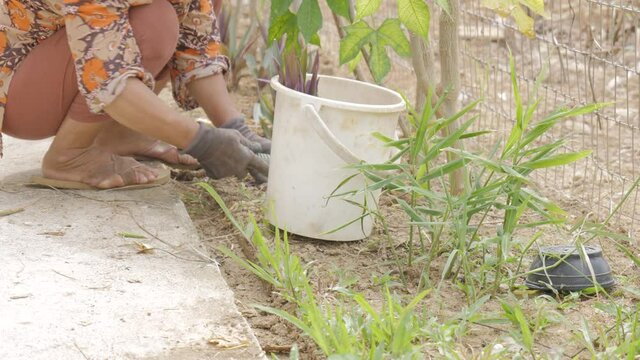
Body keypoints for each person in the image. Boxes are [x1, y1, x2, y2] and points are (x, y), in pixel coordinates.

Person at [0, 0, 270, 189]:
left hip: (56, 63)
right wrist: (202, 142)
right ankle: (70, 156)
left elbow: (196, 44)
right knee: (154, 24)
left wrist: (237, 129)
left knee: (168, 13)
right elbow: (107, 78)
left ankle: (120, 133)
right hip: (17, 87)